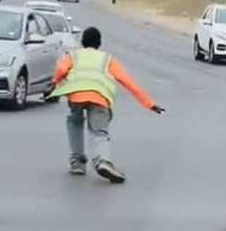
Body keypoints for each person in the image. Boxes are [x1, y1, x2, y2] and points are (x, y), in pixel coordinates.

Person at [46, 27, 165, 183]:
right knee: (99, 132)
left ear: (82, 42)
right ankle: (103, 161)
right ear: (99, 43)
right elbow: (127, 82)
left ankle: (77, 163)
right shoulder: (107, 59)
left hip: (76, 95)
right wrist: (149, 104)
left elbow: (61, 69)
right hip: (99, 96)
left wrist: (54, 82)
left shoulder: (73, 56)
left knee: (74, 122)